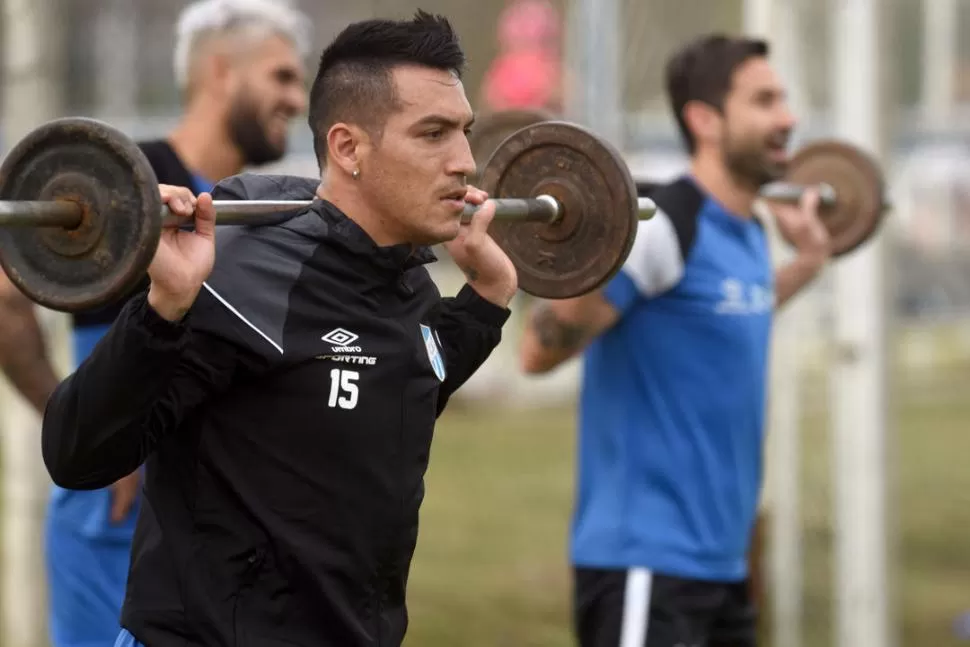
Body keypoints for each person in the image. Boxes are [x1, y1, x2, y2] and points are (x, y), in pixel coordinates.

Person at [40, 10, 517, 647]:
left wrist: (487, 299)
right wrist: (162, 309)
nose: (464, 161)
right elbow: (75, 453)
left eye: (464, 132)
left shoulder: (407, 282)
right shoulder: (246, 275)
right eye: (433, 134)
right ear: (348, 147)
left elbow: (400, 385)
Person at [0, 2, 309, 645]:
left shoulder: (243, 205)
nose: (297, 98)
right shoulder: (122, 180)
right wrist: (98, 428)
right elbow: (4, 299)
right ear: (222, 72)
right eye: (282, 76)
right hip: (115, 509)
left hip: (200, 525)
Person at [519, 34, 832, 647]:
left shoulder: (744, 234)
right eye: (765, 101)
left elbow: (736, 311)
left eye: (784, 101)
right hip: (649, 563)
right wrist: (591, 243)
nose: (788, 119)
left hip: (722, 564)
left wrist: (811, 261)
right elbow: (538, 352)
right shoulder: (663, 228)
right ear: (704, 119)